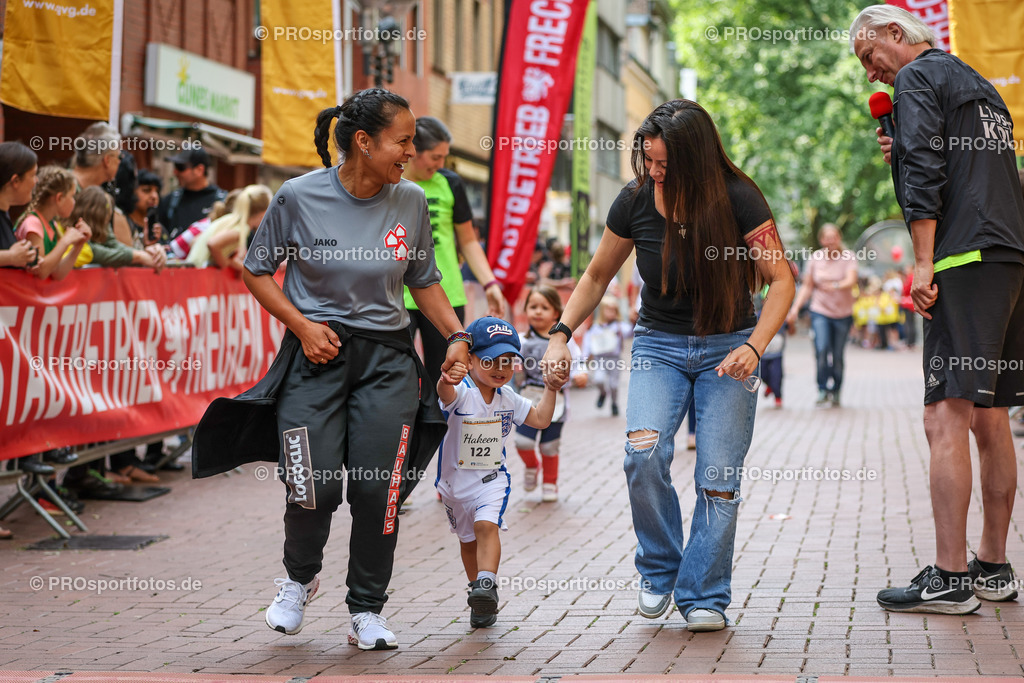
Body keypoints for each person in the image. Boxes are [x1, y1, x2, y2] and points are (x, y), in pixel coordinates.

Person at [229, 88, 469, 650]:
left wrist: (457, 334)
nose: (411, 152)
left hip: (386, 361)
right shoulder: (297, 196)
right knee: (311, 482)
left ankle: (367, 607)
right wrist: (302, 326)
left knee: (378, 488)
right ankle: (297, 577)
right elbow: (256, 271)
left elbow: (423, 280)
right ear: (363, 142)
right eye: (403, 141)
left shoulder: (410, 200)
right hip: (317, 356)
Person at [541, 99, 794, 632]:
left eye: (665, 164)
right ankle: (660, 569)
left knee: (718, 477)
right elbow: (594, 277)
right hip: (659, 345)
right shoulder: (634, 200)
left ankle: (704, 593)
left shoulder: (739, 198)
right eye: (649, 161)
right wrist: (562, 334)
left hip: (730, 348)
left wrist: (755, 346)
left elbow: (781, 280)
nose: (655, 173)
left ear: (696, 159)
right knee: (642, 455)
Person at [851, 5, 1024, 614]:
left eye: (870, 56)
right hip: (1007, 254)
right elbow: (959, 163)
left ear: (896, 35)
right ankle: (994, 568)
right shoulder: (977, 83)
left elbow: (926, 169)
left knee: (944, 416)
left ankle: (950, 578)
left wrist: (921, 262)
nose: (872, 73)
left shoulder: (916, 79)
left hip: (963, 255)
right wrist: (901, 147)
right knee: (990, 414)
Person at [435, 316, 562, 628]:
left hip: (491, 480)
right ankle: (478, 596)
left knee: (485, 526)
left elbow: (542, 420)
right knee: (467, 542)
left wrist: (551, 388)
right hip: (454, 484)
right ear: (471, 359)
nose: (500, 369)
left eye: (508, 361)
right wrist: (448, 378)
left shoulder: (509, 398)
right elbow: (444, 393)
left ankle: (486, 584)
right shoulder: (462, 392)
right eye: (490, 360)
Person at [403, 116, 505, 387]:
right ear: (413, 150)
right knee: (398, 374)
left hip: (445, 293)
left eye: (444, 158)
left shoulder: (450, 183)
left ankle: (442, 430)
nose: (440, 165)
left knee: (446, 376)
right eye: (435, 157)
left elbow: (469, 241)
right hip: (396, 295)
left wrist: (490, 283)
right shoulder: (391, 181)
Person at [515, 285, 586, 502]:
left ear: (556, 312)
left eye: (544, 307)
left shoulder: (566, 341)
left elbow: (578, 362)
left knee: (549, 445)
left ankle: (550, 483)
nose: (537, 311)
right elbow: (510, 364)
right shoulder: (521, 340)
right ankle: (531, 466)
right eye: (533, 306)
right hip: (528, 399)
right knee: (523, 442)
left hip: (557, 400)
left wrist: (581, 374)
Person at [785, 224, 857, 407]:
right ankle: (823, 389)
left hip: (843, 313)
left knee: (838, 354)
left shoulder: (848, 257)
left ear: (839, 238)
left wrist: (834, 286)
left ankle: (837, 389)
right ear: (822, 240)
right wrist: (794, 308)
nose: (831, 240)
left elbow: (851, 280)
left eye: (834, 236)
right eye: (827, 237)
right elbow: (808, 287)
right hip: (820, 311)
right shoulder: (815, 258)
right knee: (822, 349)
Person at [15, 165, 90, 281]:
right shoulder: (32, 224)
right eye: (72, 196)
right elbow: (42, 272)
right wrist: (65, 241)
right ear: (59, 198)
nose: (74, 202)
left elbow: (58, 273)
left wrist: (78, 245)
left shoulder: (51, 224)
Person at [186, 184, 271, 270]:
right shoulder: (241, 228)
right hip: (200, 270)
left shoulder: (230, 219)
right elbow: (212, 243)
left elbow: (194, 240)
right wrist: (225, 262)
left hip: (194, 268)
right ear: (263, 213)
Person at [157, 147, 228, 240]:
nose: (175, 172)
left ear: (199, 170)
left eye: (180, 167)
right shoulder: (169, 201)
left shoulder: (223, 201)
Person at [583, 296, 632, 416]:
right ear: (602, 311)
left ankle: (614, 403)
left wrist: (633, 321)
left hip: (614, 360)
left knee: (614, 384)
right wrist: (584, 359)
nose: (611, 313)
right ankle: (603, 393)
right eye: (609, 310)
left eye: (614, 310)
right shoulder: (594, 327)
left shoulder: (619, 326)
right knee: (598, 379)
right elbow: (588, 342)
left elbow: (631, 331)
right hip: (600, 359)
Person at [0, 142, 39, 269]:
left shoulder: (4, 213)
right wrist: (10, 257)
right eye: (33, 175)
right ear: (15, 181)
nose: (36, 181)